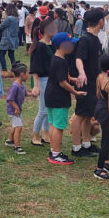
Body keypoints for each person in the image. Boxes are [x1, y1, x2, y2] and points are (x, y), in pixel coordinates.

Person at [44, 32, 85, 166]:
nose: (72, 45)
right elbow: (62, 82)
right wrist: (75, 92)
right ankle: (56, 154)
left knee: (52, 123)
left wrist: (72, 79)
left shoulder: (55, 58)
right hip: (58, 97)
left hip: (50, 95)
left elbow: (61, 77)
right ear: (62, 45)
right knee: (59, 126)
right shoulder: (61, 61)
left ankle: (53, 151)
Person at [70, 9, 104, 157]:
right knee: (79, 114)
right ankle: (76, 147)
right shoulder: (85, 39)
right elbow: (79, 58)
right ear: (100, 21)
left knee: (88, 114)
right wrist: (82, 73)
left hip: (93, 82)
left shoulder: (95, 39)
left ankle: (86, 143)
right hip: (85, 82)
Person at [28, 18, 58, 147]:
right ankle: (35, 135)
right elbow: (35, 68)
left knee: (49, 108)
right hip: (43, 80)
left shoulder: (52, 44)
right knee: (43, 109)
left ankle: (46, 134)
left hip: (52, 80)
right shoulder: (40, 46)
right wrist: (36, 85)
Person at [4, 63, 28, 154]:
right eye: (27, 73)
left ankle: (10, 140)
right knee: (18, 127)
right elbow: (10, 99)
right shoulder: (15, 86)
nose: (28, 76)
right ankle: (17, 147)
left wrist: (33, 94)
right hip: (13, 110)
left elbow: (25, 93)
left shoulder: (21, 84)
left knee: (15, 126)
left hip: (17, 110)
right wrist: (16, 108)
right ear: (22, 74)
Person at [0, 4, 20, 72]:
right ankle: (14, 68)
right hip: (14, 38)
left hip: (6, 38)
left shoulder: (9, 18)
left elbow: (1, 26)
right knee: (11, 54)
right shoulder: (16, 18)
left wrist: (1, 20)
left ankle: (4, 69)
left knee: (1, 54)